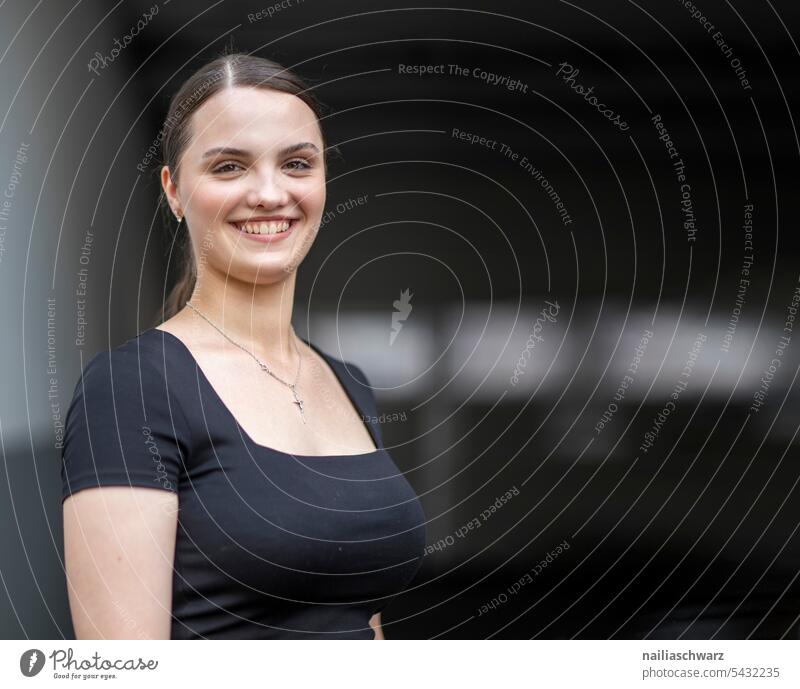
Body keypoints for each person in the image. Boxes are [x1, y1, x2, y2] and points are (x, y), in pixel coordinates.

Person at [61, 52, 426, 640]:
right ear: (175, 192)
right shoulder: (130, 389)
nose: (269, 192)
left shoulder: (348, 382)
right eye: (229, 166)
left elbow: (363, 620)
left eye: (297, 163)